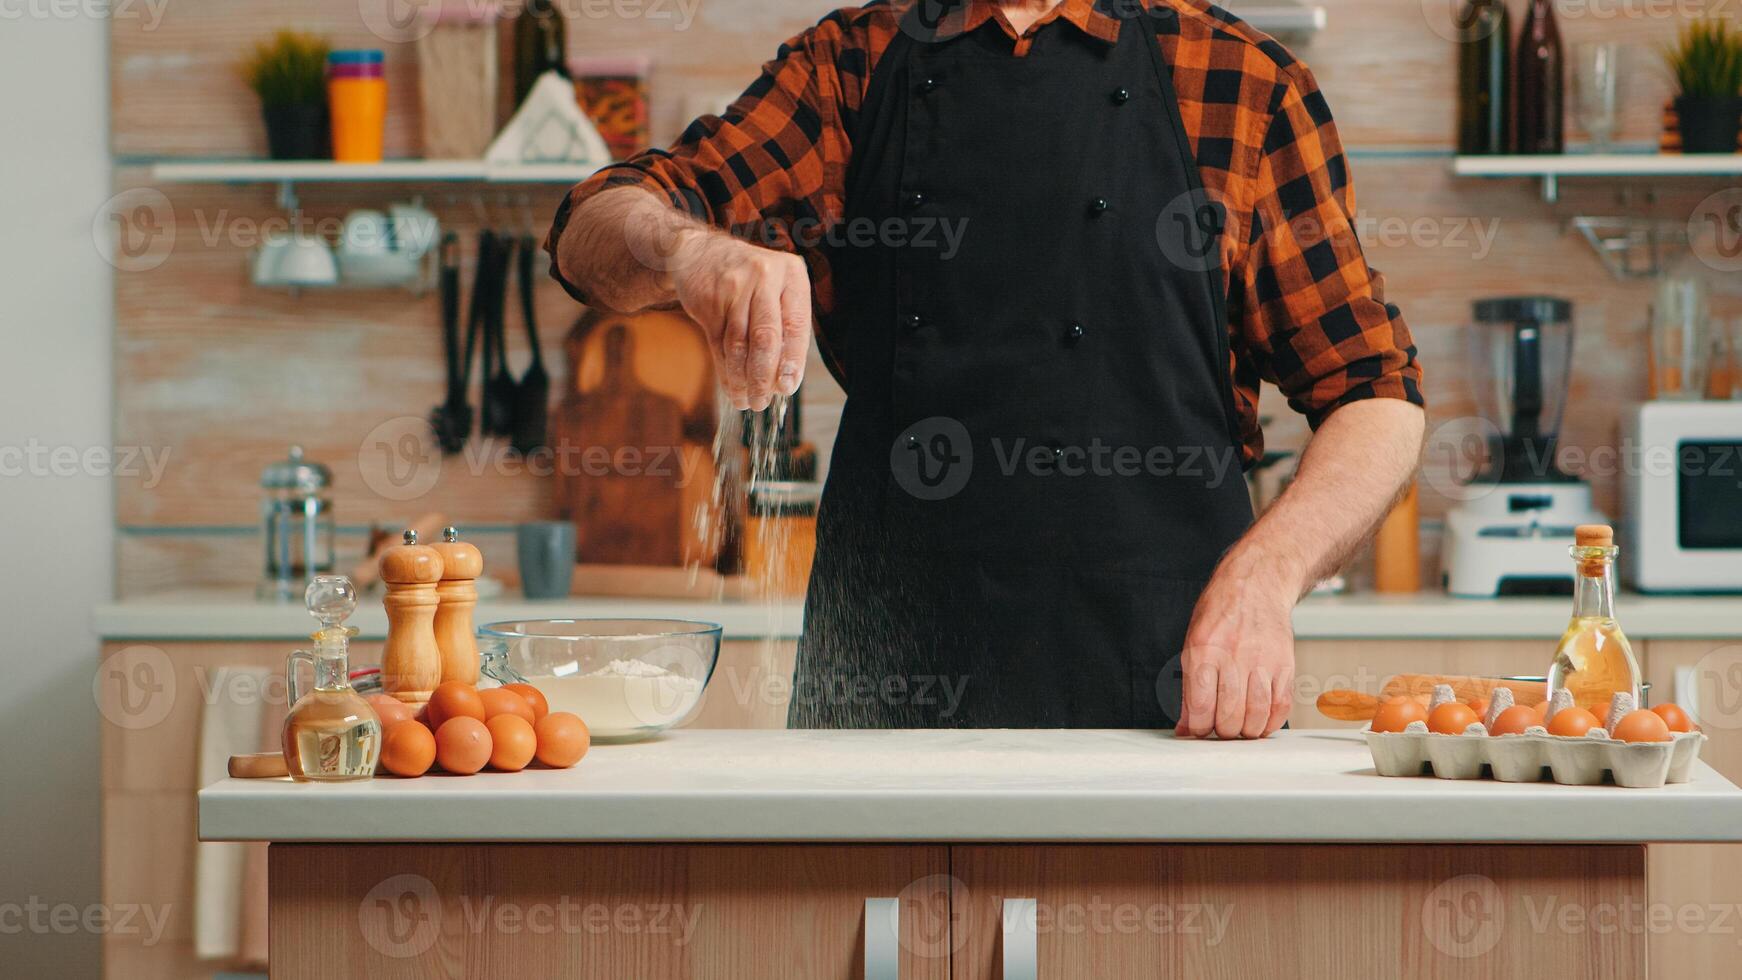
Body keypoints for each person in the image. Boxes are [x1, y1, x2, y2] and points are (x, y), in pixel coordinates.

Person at [545, 0, 1425, 737]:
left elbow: (1375, 390)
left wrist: (1265, 579)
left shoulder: (1240, 81)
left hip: (1175, 687)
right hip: (887, 694)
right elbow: (592, 229)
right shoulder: (850, 64)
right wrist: (691, 253)